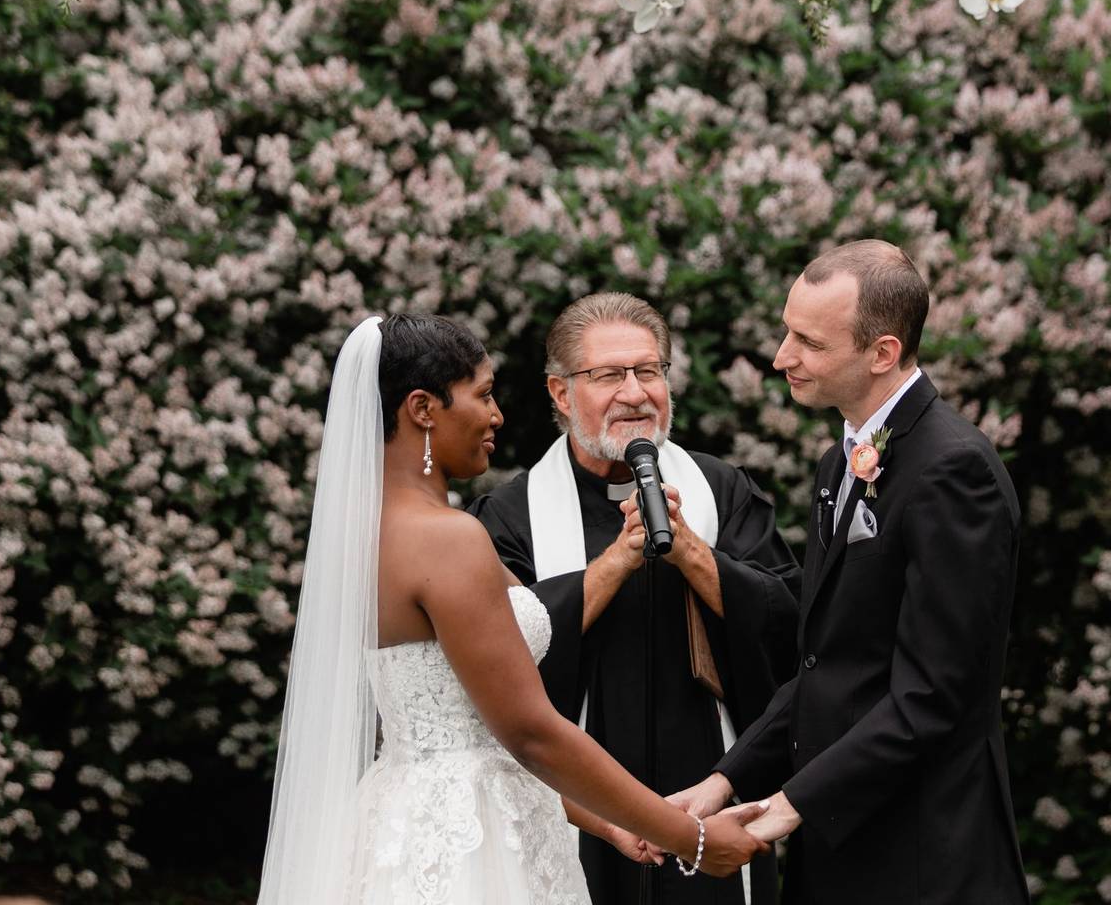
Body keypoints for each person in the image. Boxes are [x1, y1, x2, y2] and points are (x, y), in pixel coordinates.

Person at [256, 313, 770, 905]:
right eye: (483, 394)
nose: (497, 415)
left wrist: (608, 823)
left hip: (409, 816)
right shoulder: (447, 539)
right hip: (473, 843)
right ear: (423, 409)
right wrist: (692, 839)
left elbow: (486, 731)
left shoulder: (368, 533)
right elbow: (528, 731)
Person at [669, 241, 1031, 904]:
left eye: (808, 341)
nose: (782, 356)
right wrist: (727, 778)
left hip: (923, 858)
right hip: (837, 848)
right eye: (788, 332)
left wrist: (788, 806)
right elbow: (827, 666)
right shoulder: (842, 463)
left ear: (882, 353)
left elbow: (931, 695)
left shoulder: (955, 472)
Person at [471, 293, 802, 904]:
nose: (634, 392)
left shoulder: (720, 490)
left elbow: (791, 630)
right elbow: (500, 656)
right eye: (608, 375)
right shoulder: (510, 517)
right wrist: (618, 560)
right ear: (561, 393)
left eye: (648, 371)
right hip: (578, 810)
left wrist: (692, 554)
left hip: (709, 796)